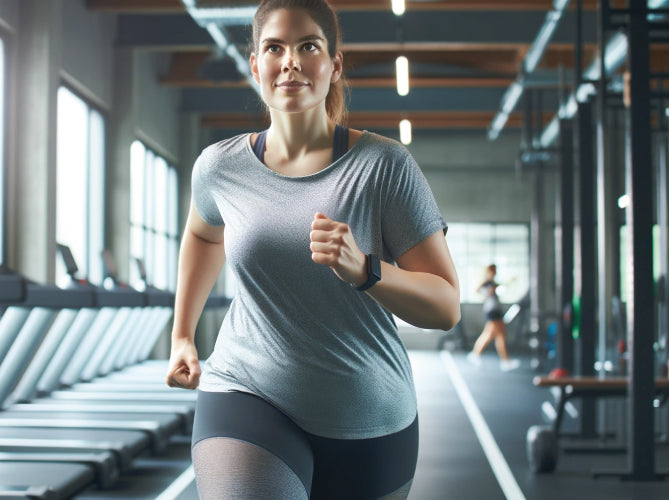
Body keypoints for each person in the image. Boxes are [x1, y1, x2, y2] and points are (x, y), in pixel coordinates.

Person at [164, 1, 460, 498]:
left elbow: (447, 306)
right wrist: (182, 335)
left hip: (368, 417)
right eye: (275, 48)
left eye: (309, 47)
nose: (291, 61)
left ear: (334, 64)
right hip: (246, 391)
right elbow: (203, 232)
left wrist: (365, 269)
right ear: (255, 64)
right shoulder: (219, 168)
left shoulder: (384, 167)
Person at [467, 264, 520, 371]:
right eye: (493, 270)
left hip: (495, 310)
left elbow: (501, 285)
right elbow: (477, 290)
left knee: (495, 335)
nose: (495, 272)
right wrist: (487, 292)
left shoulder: (492, 283)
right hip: (492, 311)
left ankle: (503, 360)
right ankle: (477, 354)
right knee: (494, 335)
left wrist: (510, 281)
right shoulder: (487, 282)